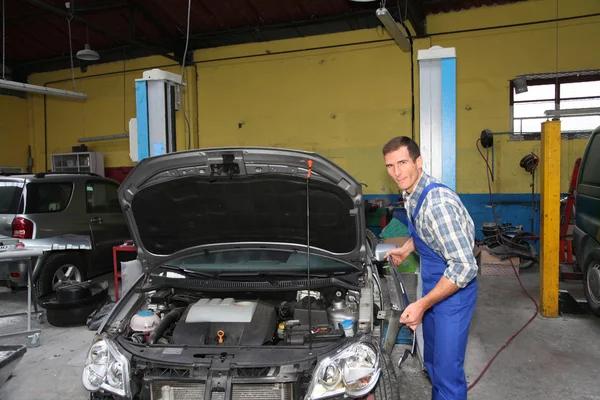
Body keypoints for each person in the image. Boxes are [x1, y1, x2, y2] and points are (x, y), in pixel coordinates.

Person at [383, 136, 478, 400]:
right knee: (434, 362)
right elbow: (426, 230)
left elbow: (464, 267)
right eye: (390, 166)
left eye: (402, 163)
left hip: (454, 293)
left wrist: (422, 304)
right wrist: (406, 249)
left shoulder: (438, 204)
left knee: (448, 373)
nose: (397, 172)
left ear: (418, 161)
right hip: (435, 287)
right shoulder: (411, 192)